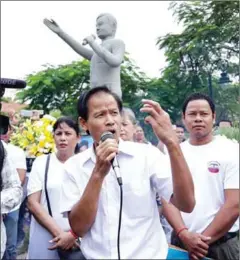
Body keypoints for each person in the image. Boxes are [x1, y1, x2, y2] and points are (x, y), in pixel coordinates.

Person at [60, 86, 195, 259]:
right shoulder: (73, 167)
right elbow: (78, 227)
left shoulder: (147, 155)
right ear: (84, 123)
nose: (110, 121)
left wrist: (172, 143)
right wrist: (98, 174)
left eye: (114, 113)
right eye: (100, 115)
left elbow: (187, 204)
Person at [163, 93, 239, 260]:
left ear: (213, 117)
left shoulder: (232, 150)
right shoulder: (173, 152)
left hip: (221, 246)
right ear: (183, 118)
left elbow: (234, 204)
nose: (198, 119)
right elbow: (166, 199)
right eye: (192, 114)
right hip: (180, 243)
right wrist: (183, 233)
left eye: (203, 114)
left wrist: (200, 242)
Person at [27, 117, 81, 259]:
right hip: (45, 236)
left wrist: (72, 235)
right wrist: (60, 234)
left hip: (78, 239)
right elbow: (33, 203)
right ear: (53, 137)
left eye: (68, 134)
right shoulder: (41, 163)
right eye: (59, 133)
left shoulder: (85, 165)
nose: (63, 138)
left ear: (78, 138)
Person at [43, 13, 125, 98]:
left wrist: (93, 43)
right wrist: (60, 33)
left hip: (111, 94)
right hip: (95, 94)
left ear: (113, 26)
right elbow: (79, 48)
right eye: (96, 25)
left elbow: (115, 61)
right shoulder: (98, 49)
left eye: (101, 24)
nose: (97, 28)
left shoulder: (117, 43)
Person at [0, 121, 26, 260]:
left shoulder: (4, 150)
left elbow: (15, 187)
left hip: (9, 209)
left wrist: (2, 205)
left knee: (11, 244)